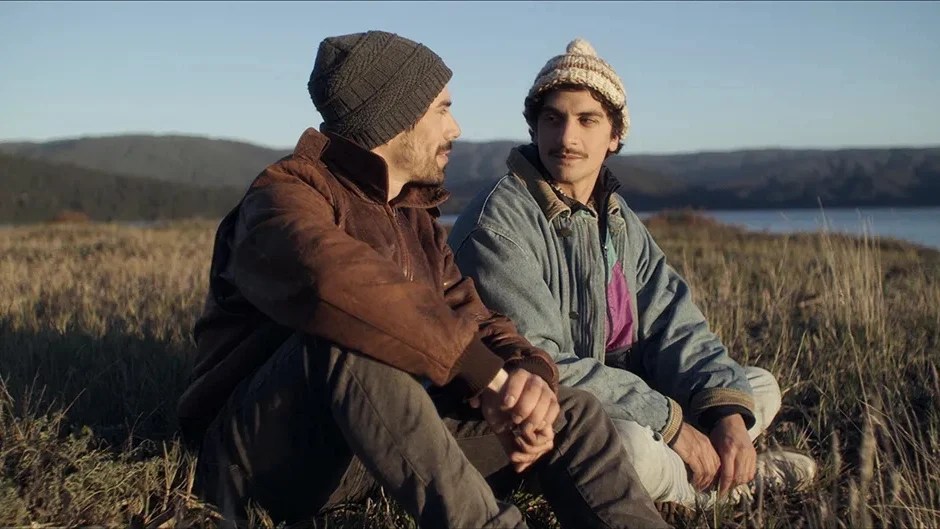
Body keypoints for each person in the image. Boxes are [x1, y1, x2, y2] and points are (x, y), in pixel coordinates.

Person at [176, 30, 668, 529]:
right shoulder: (284, 195)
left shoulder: (414, 219)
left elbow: (472, 317)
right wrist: (484, 374)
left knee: (572, 412)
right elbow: (332, 282)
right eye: (442, 109)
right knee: (351, 335)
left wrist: (526, 375)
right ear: (396, 117)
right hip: (268, 458)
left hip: (387, 444)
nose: (455, 128)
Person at [447, 37, 817, 509]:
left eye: (587, 120)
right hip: (536, 422)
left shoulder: (616, 217)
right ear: (534, 127)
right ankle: (729, 490)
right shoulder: (498, 225)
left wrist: (724, 416)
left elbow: (674, 324)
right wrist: (670, 423)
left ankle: (711, 457)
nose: (567, 137)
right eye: (553, 119)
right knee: (631, 445)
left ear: (615, 135)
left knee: (754, 387)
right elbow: (540, 361)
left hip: (621, 399)